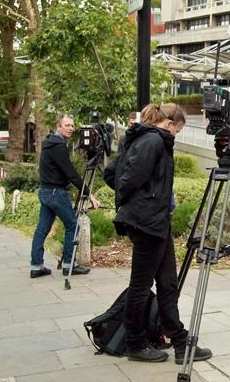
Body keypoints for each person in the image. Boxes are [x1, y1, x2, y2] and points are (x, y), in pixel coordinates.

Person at [103, 103, 212, 364]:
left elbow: (114, 173)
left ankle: (179, 341)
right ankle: (135, 343)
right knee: (141, 286)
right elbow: (125, 179)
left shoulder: (146, 138)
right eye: (178, 130)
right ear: (170, 124)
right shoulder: (152, 141)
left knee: (167, 283)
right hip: (147, 222)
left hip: (156, 222)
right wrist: (139, 202)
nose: (177, 135)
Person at [30, 115, 99, 279]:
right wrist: (90, 195)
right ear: (58, 126)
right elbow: (71, 174)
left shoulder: (50, 142)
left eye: (72, 125)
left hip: (45, 191)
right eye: (67, 125)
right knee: (73, 225)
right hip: (55, 193)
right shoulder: (58, 146)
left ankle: (36, 266)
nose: (71, 128)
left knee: (42, 229)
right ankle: (69, 264)